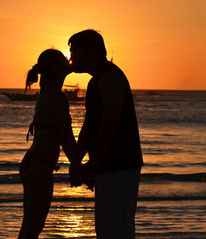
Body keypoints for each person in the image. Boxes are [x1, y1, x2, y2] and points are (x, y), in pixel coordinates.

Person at [68, 29, 144, 239]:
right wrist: (77, 161)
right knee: (107, 230)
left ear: (90, 52)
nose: (71, 57)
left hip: (119, 166)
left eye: (75, 52)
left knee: (117, 230)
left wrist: (92, 164)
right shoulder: (95, 81)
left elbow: (110, 123)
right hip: (107, 167)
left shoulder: (110, 78)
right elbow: (90, 127)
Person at [18, 49, 83, 239]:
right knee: (32, 228)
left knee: (30, 227)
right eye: (64, 61)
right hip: (39, 168)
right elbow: (66, 137)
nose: (68, 63)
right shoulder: (56, 96)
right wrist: (78, 166)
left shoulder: (46, 93)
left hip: (34, 164)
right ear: (55, 69)